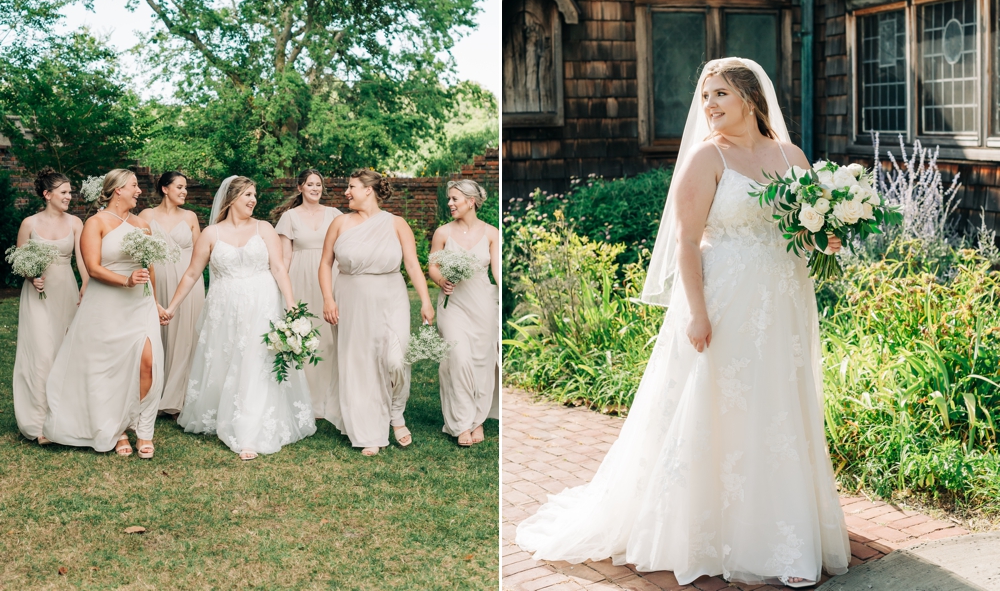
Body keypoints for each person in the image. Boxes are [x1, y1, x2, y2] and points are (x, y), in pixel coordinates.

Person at [516, 58, 851, 588]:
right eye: (704, 98)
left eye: (719, 94)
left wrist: (826, 236)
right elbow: (687, 244)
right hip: (726, 299)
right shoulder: (705, 158)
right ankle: (711, 529)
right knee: (720, 405)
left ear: (749, 97)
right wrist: (697, 313)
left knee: (777, 402)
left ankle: (779, 523)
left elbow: (802, 232)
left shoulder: (791, 156)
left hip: (783, 300)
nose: (710, 106)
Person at [163, 176, 315, 460]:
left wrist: (291, 302)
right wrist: (171, 307)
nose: (253, 200)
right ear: (231, 198)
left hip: (263, 302)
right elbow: (193, 274)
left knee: (256, 362)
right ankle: (229, 414)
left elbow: (279, 268)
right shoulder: (211, 234)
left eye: (254, 194)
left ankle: (249, 431)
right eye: (247, 194)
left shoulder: (264, 228)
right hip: (226, 309)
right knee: (229, 360)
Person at [43, 169, 163, 458]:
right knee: (108, 368)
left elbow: (150, 268)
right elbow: (93, 268)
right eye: (134, 186)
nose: (139, 191)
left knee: (148, 361)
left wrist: (155, 302)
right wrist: (125, 280)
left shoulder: (142, 225)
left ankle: (144, 428)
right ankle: (117, 428)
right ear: (118, 189)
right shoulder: (95, 223)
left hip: (140, 304)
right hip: (107, 303)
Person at [317, 169, 434, 456]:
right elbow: (324, 264)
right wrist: (328, 299)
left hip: (390, 296)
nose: (346, 192)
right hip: (351, 298)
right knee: (359, 365)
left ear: (368, 190)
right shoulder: (339, 223)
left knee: (396, 358)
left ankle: (396, 412)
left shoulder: (396, 224)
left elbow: (412, 265)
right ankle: (369, 432)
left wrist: (426, 301)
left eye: (351, 186)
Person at [12, 168, 88, 443]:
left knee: (63, 352)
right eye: (64, 192)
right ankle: (39, 423)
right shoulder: (29, 224)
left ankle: (64, 418)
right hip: (38, 296)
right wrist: (32, 277)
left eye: (70, 192)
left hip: (65, 292)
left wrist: (86, 284)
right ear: (47, 194)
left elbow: (82, 260)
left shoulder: (76, 223)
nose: (70, 196)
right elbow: (20, 263)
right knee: (42, 354)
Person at [429, 179, 499, 447]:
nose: (450, 203)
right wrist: (440, 280)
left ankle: (477, 421)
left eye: (455, 199)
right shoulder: (443, 232)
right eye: (449, 199)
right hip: (453, 303)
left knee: (481, 361)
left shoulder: (492, 233)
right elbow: (433, 266)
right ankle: (460, 423)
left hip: (482, 303)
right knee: (458, 357)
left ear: (471, 201)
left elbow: (496, 271)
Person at [272, 169, 343, 420]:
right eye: (310, 184)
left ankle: (330, 399)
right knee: (304, 335)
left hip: (330, 278)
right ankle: (305, 399)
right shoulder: (289, 217)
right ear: (300, 187)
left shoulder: (335, 215)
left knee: (330, 338)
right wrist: (281, 288)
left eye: (319, 185)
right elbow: (285, 256)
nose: (315, 188)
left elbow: (344, 247)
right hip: (301, 279)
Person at [138, 171, 204, 415]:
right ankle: (155, 390)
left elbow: (201, 254)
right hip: (156, 282)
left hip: (188, 286)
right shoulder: (146, 216)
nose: (184, 191)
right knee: (156, 335)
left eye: (185, 187)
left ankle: (182, 395)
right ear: (165, 189)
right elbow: (138, 252)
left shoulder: (190, 217)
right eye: (179, 187)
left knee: (186, 336)